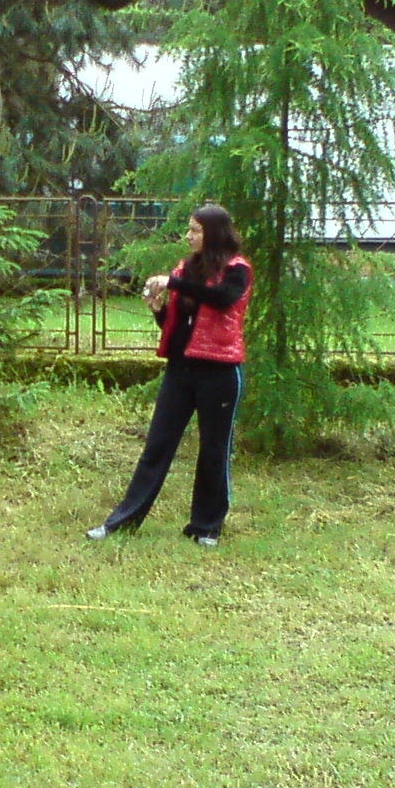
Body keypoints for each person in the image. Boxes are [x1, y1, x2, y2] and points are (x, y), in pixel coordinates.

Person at [87, 203, 251, 547]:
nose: (188, 236)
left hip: (220, 373)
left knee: (214, 452)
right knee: (157, 447)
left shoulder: (237, 270)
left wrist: (175, 283)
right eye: (189, 229)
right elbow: (178, 324)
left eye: (195, 230)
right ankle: (121, 522)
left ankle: (206, 527)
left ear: (214, 234)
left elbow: (222, 300)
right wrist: (159, 310)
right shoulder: (186, 269)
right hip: (181, 371)